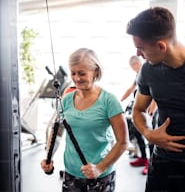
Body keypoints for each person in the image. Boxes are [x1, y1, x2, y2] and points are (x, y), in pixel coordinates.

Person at [126, 6, 185, 192]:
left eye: (140, 48)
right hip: (163, 163)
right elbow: (138, 110)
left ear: (161, 46)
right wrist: (148, 133)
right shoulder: (147, 71)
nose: (137, 54)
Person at [41, 48, 128, 191]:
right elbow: (58, 131)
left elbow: (123, 142)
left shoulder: (109, 101)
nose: (76, 78)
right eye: (73, 73)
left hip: (100, 175)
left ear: (95, 72)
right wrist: (48, 156)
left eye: (82, 73)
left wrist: (100, 168)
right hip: (71, 172)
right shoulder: (67, 99)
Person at [121, 56, 157, 175]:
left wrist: (150, 113)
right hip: (140, 109)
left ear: (137, 64)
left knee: (150, 138)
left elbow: (154, 95)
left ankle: (150, 163)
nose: (133, 69)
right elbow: (131, 89)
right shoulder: (139, 75)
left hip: (149, 111)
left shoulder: (149, 72)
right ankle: (143, 158)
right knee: (137, 131)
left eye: (133, 67)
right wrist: (120, 101)